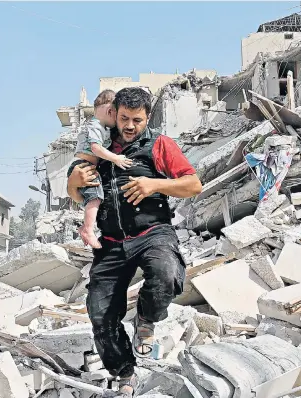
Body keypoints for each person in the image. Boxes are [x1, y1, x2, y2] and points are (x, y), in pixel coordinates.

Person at [67, 87, 202, 397]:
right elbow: (78, 194)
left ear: (148, 117)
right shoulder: (100, 142)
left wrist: (154, 183)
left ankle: (147, 317)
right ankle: (125, 372)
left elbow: (193, 184)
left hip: (153, 233)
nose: (128, 126)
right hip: (112, 241)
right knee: (99, 312)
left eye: (136, 120)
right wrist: (74, 184)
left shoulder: (160, 144)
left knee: (165, 275)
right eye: (124, 118)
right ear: (115, 114)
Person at [67, 89, 132, 249]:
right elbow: (96, 148)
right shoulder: (94, 126)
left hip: (88, 167)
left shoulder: (103, 128)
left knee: (94, 199)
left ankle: (86, 227)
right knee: (95, 198)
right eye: (117, 117)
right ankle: (88, 230)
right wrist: (116, 158)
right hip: (84, 167)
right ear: (110, 111)